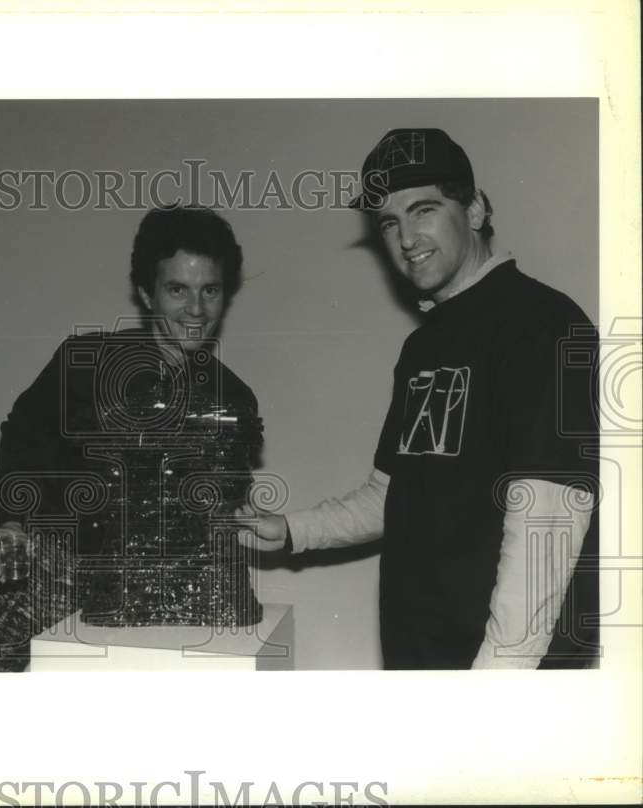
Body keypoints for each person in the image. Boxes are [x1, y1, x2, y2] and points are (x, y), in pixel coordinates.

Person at [238, 128, 599, 669]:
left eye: (423, 209)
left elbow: (548, 518)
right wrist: (294, 530)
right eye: (389, 221)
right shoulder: (426, 343)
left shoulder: (541, 323)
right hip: (423, 660)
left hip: (499, 680)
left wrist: (494, 694)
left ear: (475, 209)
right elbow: (396, 492)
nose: (406, 238)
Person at [0, 204, 262, 671]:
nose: (196, 309)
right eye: (177, 290)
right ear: (147, 294)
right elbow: (22, 437)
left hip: (148, 610)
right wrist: (14, 520)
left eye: (210, 290)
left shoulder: (235, 399)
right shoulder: (85, 361)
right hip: (45, 583)